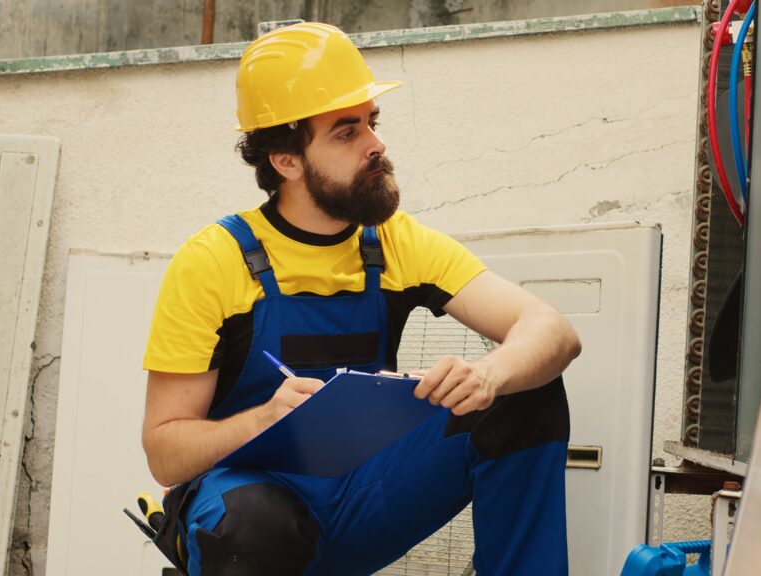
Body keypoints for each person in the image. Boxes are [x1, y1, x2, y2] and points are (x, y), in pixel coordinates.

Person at [141, 22, 581, 576]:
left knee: (525, 391)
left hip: (362, 494)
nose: (376, 145)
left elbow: (554, 331)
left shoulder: (395, 242)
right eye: (346, 132)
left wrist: (488, 376)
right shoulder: (214, 262)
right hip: (248, 508)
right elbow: (163, 450)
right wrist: (263, 421)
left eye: (372, 122)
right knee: (255, 528)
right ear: (286, 160)